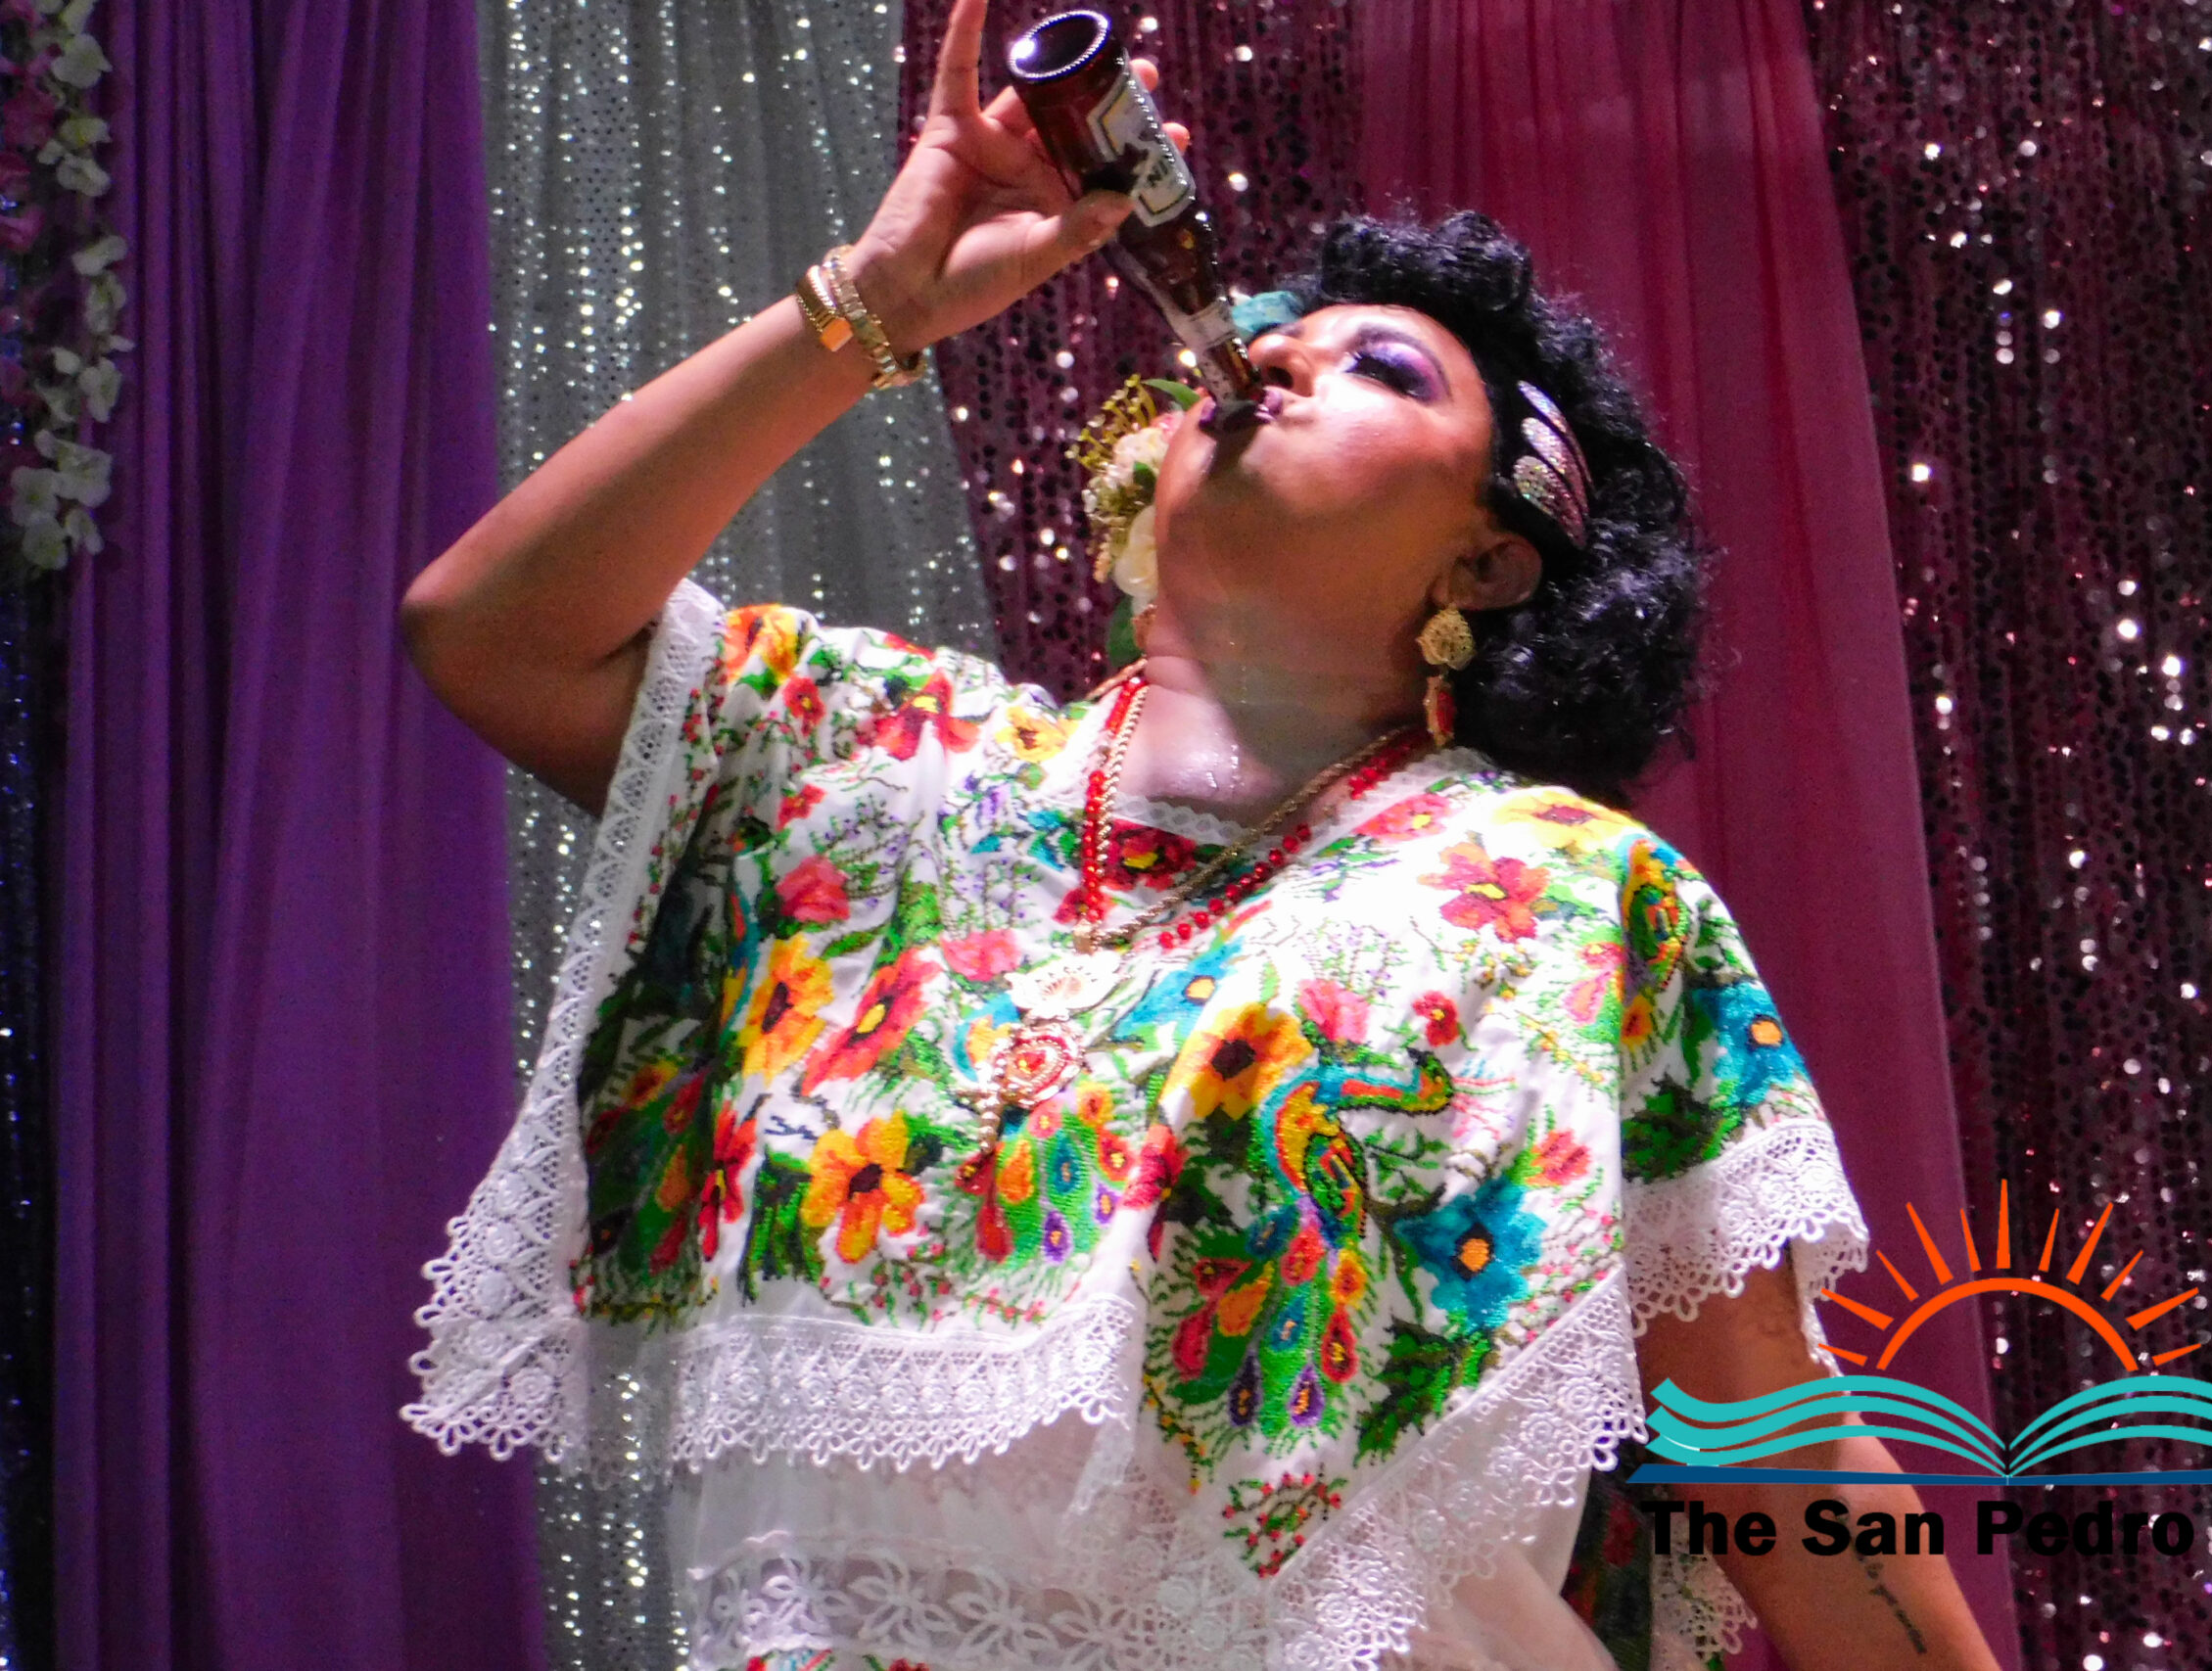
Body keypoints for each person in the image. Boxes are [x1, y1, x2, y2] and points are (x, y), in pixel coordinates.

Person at [399, 1, 2002, 1666]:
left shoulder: (1559, 899)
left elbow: (1784, 1458)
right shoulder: (884, 778)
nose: (1284, 356)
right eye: (1282, 335)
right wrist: (875, 303)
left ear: (1486, 561)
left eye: (1386, 371)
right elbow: (492, 632)